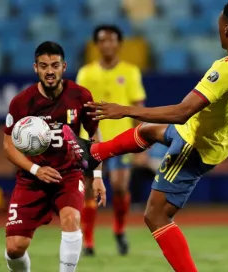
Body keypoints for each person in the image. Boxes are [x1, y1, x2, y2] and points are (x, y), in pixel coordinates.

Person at [64, 1, 228, 271]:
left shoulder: (226, 67)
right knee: (148, 131)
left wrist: (124, 110)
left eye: (218, 25)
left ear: (226, 29)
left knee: (155, 216)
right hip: (210, 136)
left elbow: (182, 112)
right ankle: (95, 152)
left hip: (197, 144)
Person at [3, 41, 106, 272]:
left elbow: (95, 136)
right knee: (14, 248)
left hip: (69, 174)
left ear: (64, 67)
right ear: (35, 68)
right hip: (31, 179)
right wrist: (35, 170)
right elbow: (8, 146)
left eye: (55, 65)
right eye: (44, 66)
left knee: (71, 220)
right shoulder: (21, 102)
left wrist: (97, 175)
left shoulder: (80, 96)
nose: (50, 71)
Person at [76, 25, 147, 256]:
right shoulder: (86, 73)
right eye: (103, 40)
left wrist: (142, 142)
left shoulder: (130, 71)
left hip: (121, 140)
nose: (107, 44)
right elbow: (79, 109)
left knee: (119, 186)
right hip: (91, 140)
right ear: (96, 44)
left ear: (119, 43)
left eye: (112, 40)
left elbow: (138, 108)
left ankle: (119, 229)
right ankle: (88, 241)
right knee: (88, 190)